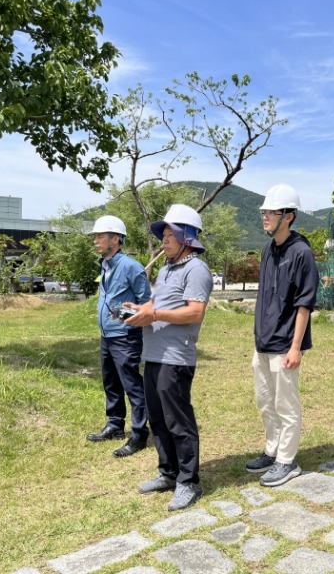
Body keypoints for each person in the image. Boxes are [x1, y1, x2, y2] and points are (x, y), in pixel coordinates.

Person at [124, 204, 213, 510]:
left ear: (186, 236)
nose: (164, 240)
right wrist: (140, 311)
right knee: (157, 418)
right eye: (162, 234)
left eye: (169, 234)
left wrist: (155, 313)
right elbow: (157, 303)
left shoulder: (196, 269)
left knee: (178, 420)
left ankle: (189, 482)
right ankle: (169, 472)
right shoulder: (165, 269)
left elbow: (195, 311)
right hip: (154, 354)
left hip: (176, 357)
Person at [245, 184, 320, 487]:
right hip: (263, 341)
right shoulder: (267, 250)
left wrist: (296, 347)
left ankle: (287, 461)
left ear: (288, 216)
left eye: (271, 212)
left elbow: (304, 305)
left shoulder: (301, 252)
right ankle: (272, 450)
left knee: (286, 404)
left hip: (286, 343)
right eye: (264, 211)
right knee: (265, 401)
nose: (265, 216)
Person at [87, 215, 152, 458]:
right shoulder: (105, 265)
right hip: (107, 336)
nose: (95, 240)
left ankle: (138, 434)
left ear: (116, 238)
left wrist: (117, 315)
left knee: (132, 386)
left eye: (100, 236)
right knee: (111, 383)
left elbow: (144, 304)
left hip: (125, 337)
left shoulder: (131, 267)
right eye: (95, 236)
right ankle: (114, 425)